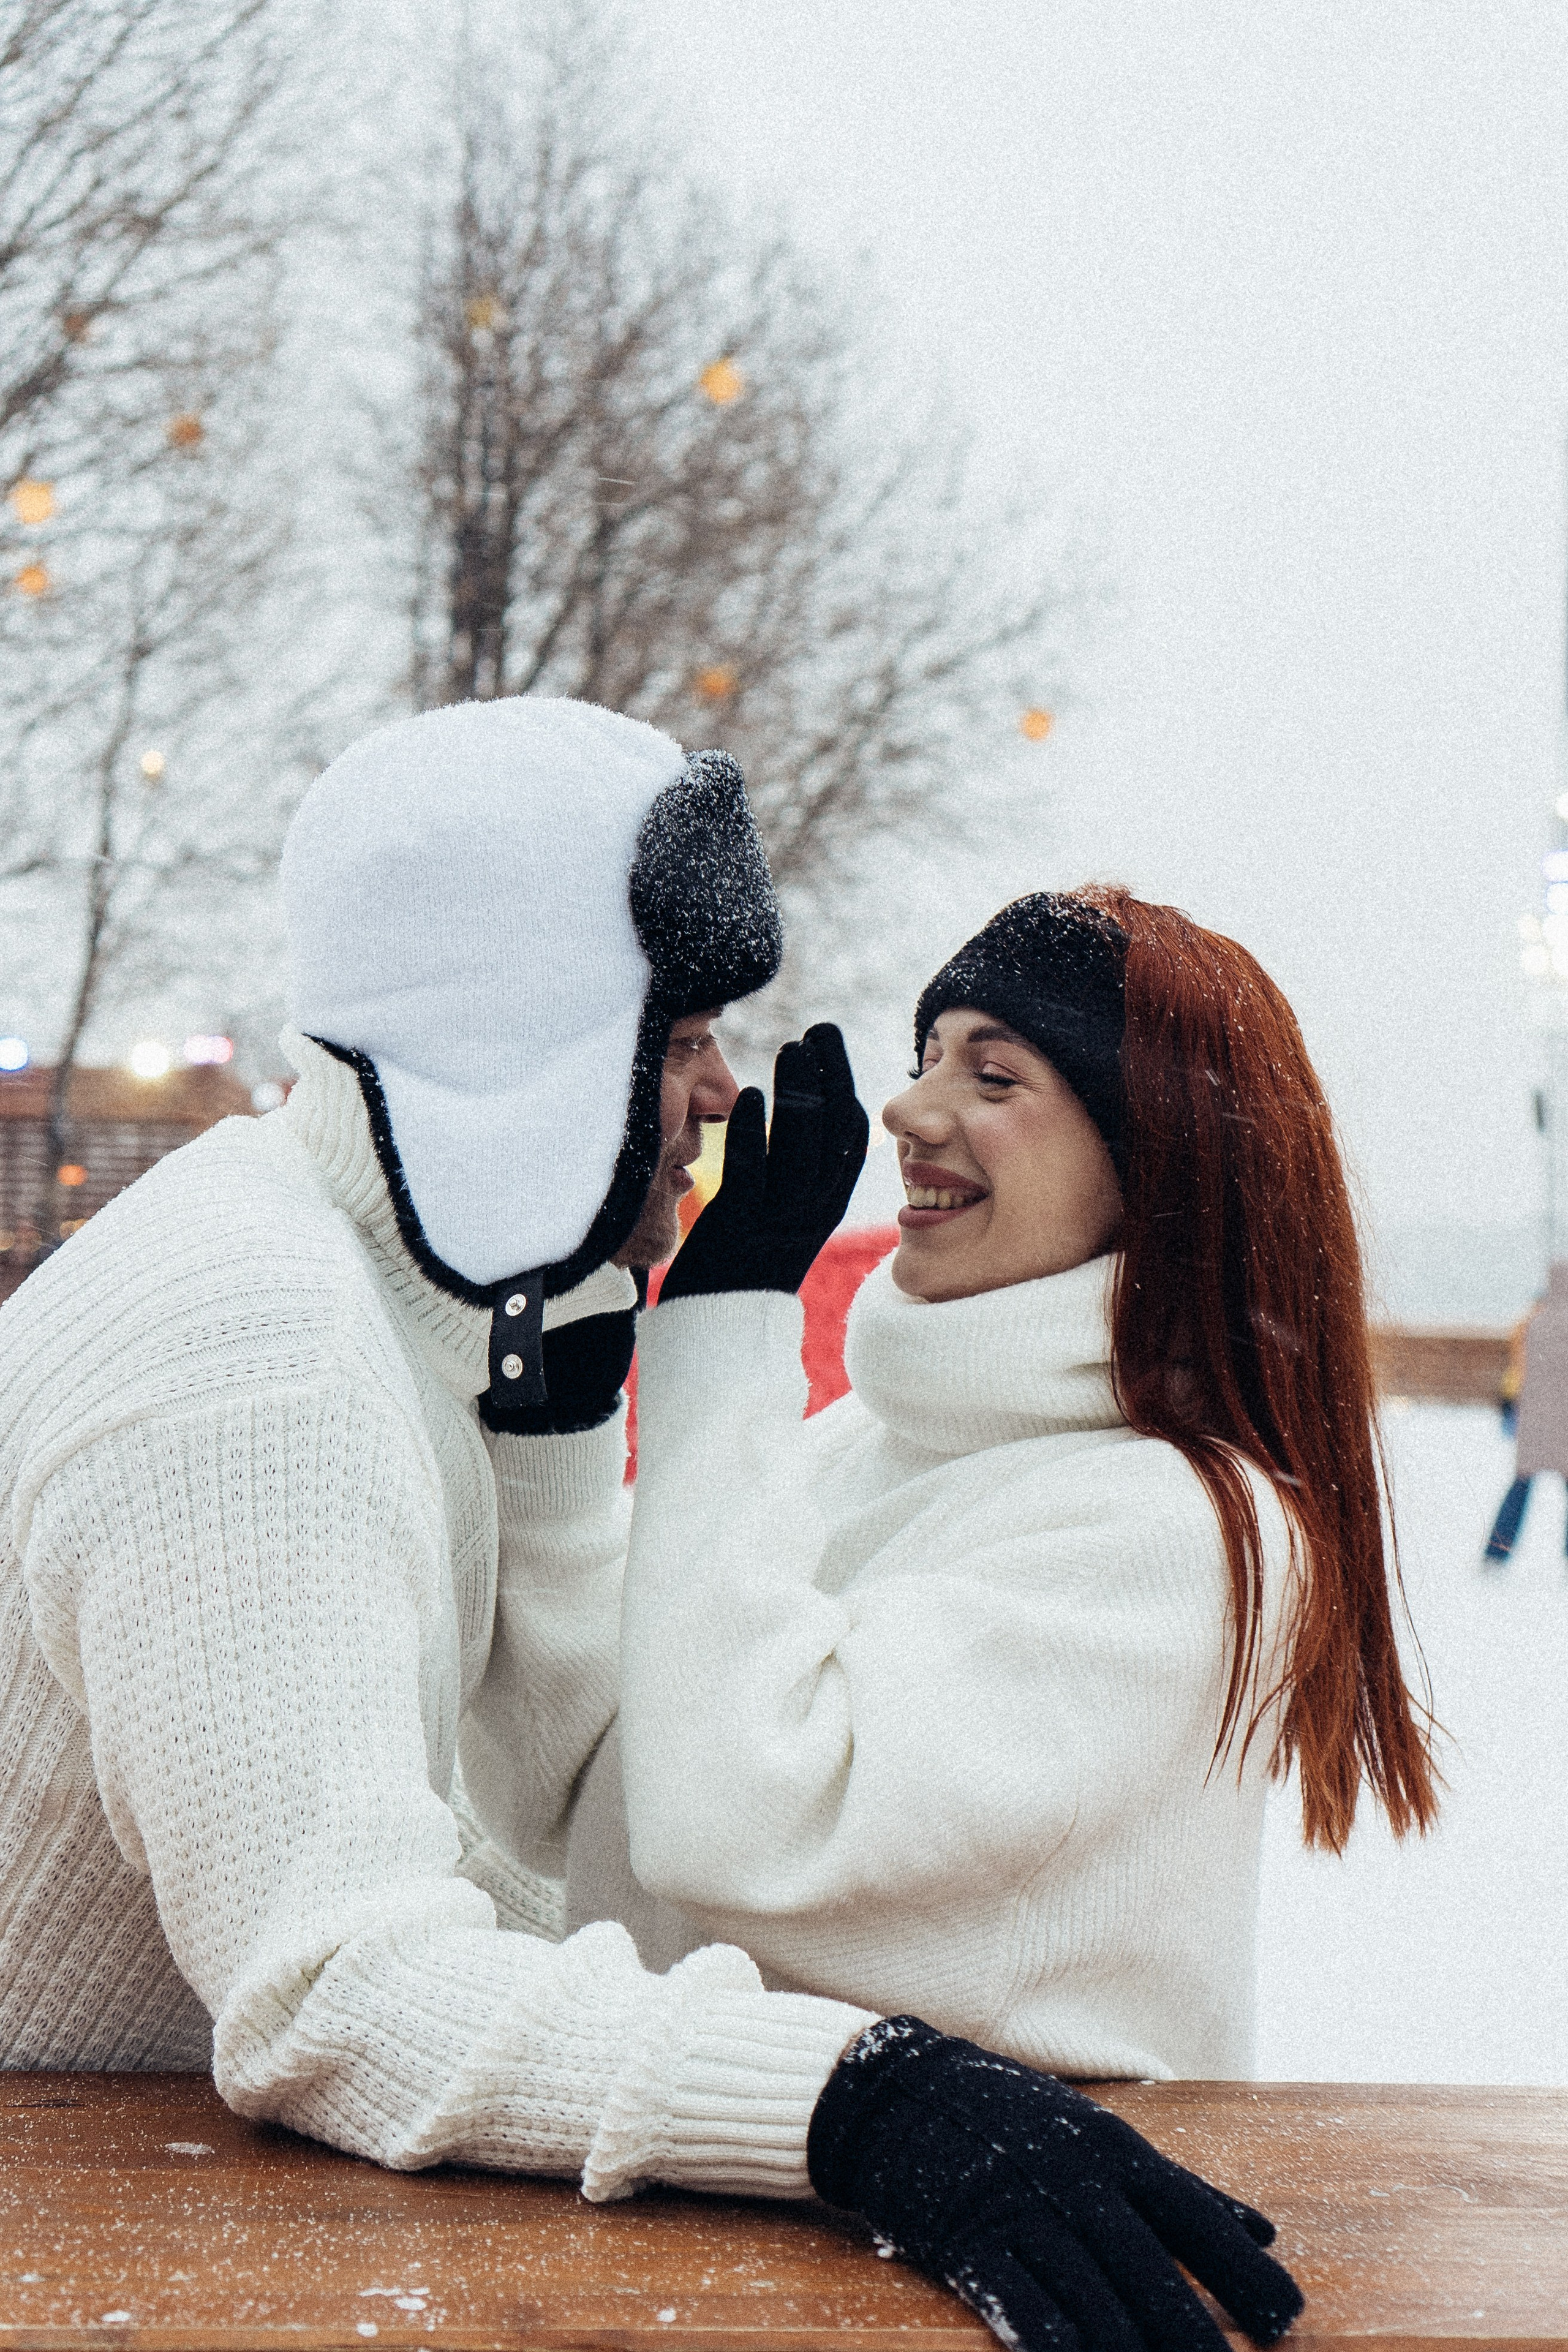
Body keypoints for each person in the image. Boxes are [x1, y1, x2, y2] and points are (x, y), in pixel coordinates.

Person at [0, 718, 1300, 2352]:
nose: (719, 1087)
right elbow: (345, 1984)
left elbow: (553, 1851)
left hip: (139, 2220)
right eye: (677, 1028)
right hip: (84, 2250)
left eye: (998, 1071)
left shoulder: (357, 1308)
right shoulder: (260, 1347)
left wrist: (559, 1435)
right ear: (526, 1038)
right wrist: (857, 2103)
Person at [575, 888, 1443, 2341]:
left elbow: (736, 1818)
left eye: (994, 1074)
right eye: (928, 1053)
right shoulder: (872, 1439)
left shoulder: (1176, 1523)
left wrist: (722, 1334)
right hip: (767, 2241)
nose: (913, 1108)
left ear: (1147, 1159)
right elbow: (592, 1795)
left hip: (1005, 2285)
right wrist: (545, 1460)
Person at [1487, 1266, 1568, 1564]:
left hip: (1534, 1420)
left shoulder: (1531, 1325)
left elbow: (1518, 1374)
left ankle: (1497, 1551)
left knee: (1521, 1486)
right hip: (1561, 1421)